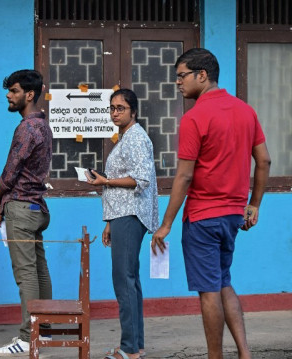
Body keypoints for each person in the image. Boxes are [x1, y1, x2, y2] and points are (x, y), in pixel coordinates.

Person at [151, 48, 271, 359]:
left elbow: (184, 177)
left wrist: (166, 224)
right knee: (224, 283)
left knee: (209, 291)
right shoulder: (247, 111)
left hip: (203, 217)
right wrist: (253, 204)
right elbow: (264, 160)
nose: (178, 83)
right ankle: (245, 353)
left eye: (182, 76)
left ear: (202, 75)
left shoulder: (194, 117)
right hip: (233, 215)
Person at [86, 89, 159, 359]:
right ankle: (135, 345)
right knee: (130, 280)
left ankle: (129, 349)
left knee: (123, 279)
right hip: (121, 215)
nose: (115, 112)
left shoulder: (137, 138)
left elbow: (141, 180)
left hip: (131, 215)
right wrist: (108, 222)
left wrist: (105, 181)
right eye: (112, 108)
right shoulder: (125, 137)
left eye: (121, 108)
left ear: (133, 111)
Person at [0, 69, 53, 357]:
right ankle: (45, 331)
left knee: (26, 274)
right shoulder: (44, 125)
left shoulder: (26, 128)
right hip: (37, 206)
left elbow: (11, 170)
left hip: (22, 209)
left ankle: (28, 338)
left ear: (29, 95)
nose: (8, 95)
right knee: (39, 271)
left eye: (13, 91)